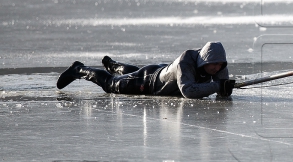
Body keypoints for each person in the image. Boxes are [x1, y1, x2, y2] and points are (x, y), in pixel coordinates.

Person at [56, 42, 235, 99]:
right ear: (204, 59)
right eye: (213, 64)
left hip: (160, 72)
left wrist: (224, 88)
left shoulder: (216, 65)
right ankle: (79, 69)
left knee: (133, 72)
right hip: (148, 82)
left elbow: (222, 92)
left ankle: (114, 65)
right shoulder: (185, 62)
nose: (217, 68)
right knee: (111, 83)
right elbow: (188, 90)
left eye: (220, 65)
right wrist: (219, 86)